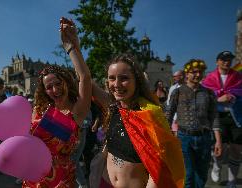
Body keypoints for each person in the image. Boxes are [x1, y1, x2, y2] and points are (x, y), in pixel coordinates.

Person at [92, 53, 185, 188]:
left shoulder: (149, 115)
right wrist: (73, 47)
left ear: (137, 81)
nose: (117, 84)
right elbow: (85, 78)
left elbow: (160, 166)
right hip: (105, 183)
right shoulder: (114, 108)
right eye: (112, 78)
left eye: (124, 78)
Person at [22, 17, 92, 188]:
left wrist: (70, 48)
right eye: (49, 87)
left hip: (62, 182)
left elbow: (85, 77)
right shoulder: (39, 110)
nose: (54, 90)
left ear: (67, 83)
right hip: (33, 178)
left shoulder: (77, 111)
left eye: (58, 84)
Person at [166, 59, 222, 188]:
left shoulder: (209, 93)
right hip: (184, 137)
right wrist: (167, 136)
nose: (197, 74)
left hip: (204, 137)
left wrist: (218, 140)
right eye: (194, 72)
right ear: (187, 73)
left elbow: (214, 117)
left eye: (200, 72)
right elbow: (169, 114)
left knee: (201, 174)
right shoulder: (178, 92)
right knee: (188, 174)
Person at [202, 51, 242, 188]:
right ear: (217, 62)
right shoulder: (210, 78)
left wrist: (234, 96)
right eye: (223, 59)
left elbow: (240, 91)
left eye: (229, 59)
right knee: (221, 147)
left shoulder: (237, 76)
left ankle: (232, 180)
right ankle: (217, 166)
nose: (227, 62)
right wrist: (218, 98)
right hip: (218, 117)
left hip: (236, 117)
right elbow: (205, 96)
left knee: (236, 149)